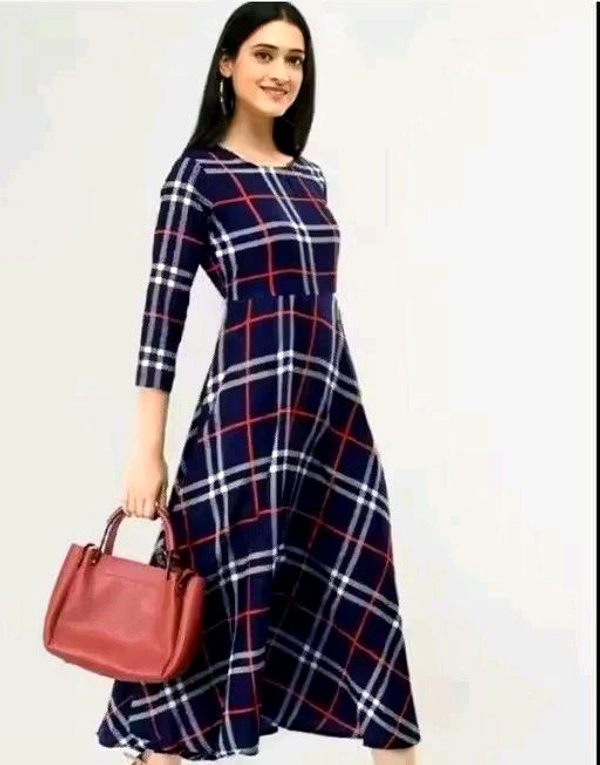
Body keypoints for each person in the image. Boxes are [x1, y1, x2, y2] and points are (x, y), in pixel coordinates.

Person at [95, 2, 421, 763]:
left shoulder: (310, 178)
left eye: (295, 59)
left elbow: (320, 303)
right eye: (265, 54)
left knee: (365, 596)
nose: (281, 73)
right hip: (243, 422)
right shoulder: (198, 177)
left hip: (331, 419)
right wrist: (146, 451)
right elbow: (161, 322)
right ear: (228, 64)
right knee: (208, 611)